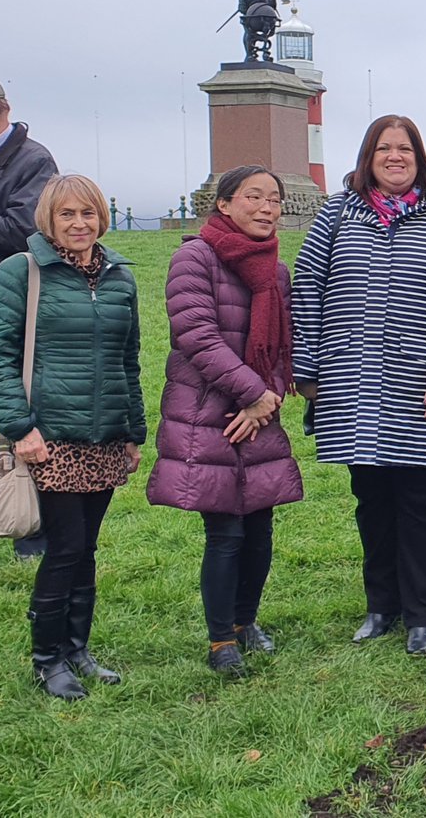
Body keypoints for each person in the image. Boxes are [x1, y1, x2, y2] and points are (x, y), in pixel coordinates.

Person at [292, 115, 426, 656]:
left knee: (421, 500)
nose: (395, 157)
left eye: (405, 149)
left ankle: (422, 613)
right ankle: (382, 605)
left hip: (421, 386)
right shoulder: (336, 215)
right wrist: (307, 369)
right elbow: (306, 286)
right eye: (385, 149)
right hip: (351, 381)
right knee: (372, 498)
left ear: (420, 158)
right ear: (368, 156)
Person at [0, 175, 144, 699]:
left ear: (103, 217)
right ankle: (48, 658)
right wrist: (18, 428)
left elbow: (129, 360)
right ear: (48, 219)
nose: (79, 224)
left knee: (85, 546)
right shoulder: (21, 272)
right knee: (66, 545)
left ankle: (78, 651)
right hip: (48, 436)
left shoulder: (119, 276)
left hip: (103, 436)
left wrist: (132, 431)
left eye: (89, 214)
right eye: (67, 215)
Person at [147, 165, 304, 677]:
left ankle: (245, 622)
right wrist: (254, 394)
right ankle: (220, 641)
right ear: (225, 204)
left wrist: (269, 398)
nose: (266, 208)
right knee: (227, 533)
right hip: (209, 414)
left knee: (260, 529)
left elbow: (283, 347)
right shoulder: (195, 256)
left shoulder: (276, 269)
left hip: (258, 417)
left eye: (274, 200)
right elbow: (197, 336)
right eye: (253, 197)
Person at [0, 74, 56, 559]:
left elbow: (25, 231)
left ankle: (32, 533)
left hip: (4, 312)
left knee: (19, 424)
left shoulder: (34, 161)